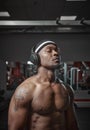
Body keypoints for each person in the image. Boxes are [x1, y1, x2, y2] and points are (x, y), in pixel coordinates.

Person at [8, 40, 79, 130]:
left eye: (56, 50)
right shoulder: (26, 90)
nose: (55, 53)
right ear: (36, 58)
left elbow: (72, 124)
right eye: (49, 51)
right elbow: (15, 128)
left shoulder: (67, 89)